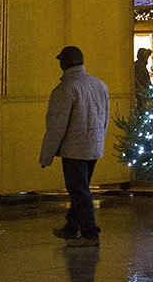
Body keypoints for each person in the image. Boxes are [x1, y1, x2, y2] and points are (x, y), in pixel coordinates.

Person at [41, 45, 110, 244]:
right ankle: (71, 227)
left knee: (79, 192)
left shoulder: (65, 89)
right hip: (93, 146)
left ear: (64, 63)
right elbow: (104, 118)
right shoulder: (99, 84)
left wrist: (46, 156)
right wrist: (99, 142)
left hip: (74, 149)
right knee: (82, 189)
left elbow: (56, 126)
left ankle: (90, 233)